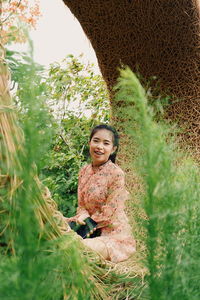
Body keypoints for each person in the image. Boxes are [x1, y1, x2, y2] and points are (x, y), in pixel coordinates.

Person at [67, 124, 136, 263]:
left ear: (113, 149)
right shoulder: (83, 171)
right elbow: (81, 204)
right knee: (52, 229)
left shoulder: (116, 174)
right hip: (86, 226)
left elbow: (109, 213)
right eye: (96, 141)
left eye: (106, 143)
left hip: (112, 234)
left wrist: (88, 222)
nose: (99, 146)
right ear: (89, 143)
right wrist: (83, 215)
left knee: (77, 248)